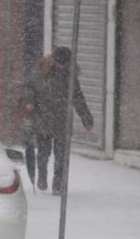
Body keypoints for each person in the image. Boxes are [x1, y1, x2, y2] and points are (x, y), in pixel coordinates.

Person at [20, 46, 93, 194]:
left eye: (65, 63)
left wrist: (86, 119)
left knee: (61, 156)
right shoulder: (40, 72)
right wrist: (29, 101)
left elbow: (78, 98)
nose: (62, 66)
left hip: (62, 121)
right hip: (43, 119)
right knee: (43, 153)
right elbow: (28, 87)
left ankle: (58, 183)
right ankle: (42, 176)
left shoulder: (70, 76)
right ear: (53, 60)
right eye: (60, 62)